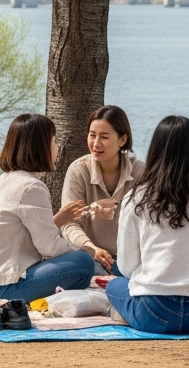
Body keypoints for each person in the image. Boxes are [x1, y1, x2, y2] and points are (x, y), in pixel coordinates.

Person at [107, 115, 189, 335]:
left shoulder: (136, 198)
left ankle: (123, 313)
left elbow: (127, 267)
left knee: (113, 286)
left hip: (152, 312)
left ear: (155, 150)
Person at [0, 114, 94, 303]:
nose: (56, 147)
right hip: (1, 289)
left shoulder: (5, 179)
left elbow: (26, 234)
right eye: (54, 141)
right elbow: (50, 248)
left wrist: (57, 221)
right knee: (83, 263)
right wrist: (84, 250)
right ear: (41, 147)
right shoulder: (31, 187)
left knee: (78, 258)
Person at [61, 105, 146, 275]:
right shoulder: (79, 170)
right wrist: (92, 249)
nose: (96, 143)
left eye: (104, 137)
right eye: (92, 135)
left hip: (132, 260)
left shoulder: (140, 172)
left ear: (122, 140)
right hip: (91, 258)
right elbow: (69, 223)